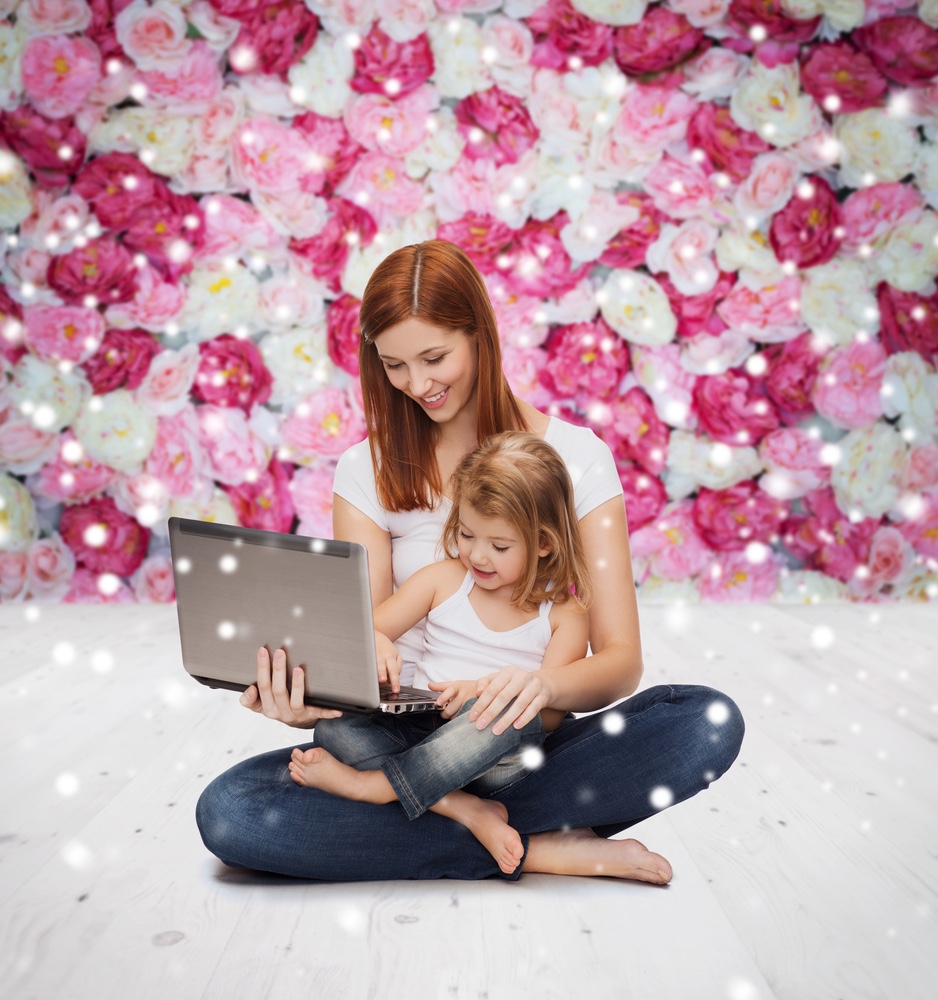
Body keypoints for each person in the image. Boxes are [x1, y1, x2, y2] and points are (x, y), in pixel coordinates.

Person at [196, 239, 745, 884]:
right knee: (231, 814)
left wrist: (541, 687)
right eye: (394, 366)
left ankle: (439, 818)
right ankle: (528, 842)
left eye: (435, 357)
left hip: (518, 738)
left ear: (480, 335)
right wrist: (306, 695)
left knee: (703, 722)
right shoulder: (364, 470)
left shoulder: (578, 459)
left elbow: (621, 662)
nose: (418, 385)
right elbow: (366, 643)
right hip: (395, 735)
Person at [289, 431, 629, 878]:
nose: (478, 556)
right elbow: (362, 632)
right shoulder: (443, 579)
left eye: (500, 546)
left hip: (491, 751)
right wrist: (376, 643)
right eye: (467, 534)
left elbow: (546, 716)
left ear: (544, 542)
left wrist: (480, 698)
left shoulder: (564, 614)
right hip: (419, 730)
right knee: (336, 732)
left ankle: (372, 787)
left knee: (516, 719)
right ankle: (465, 809)